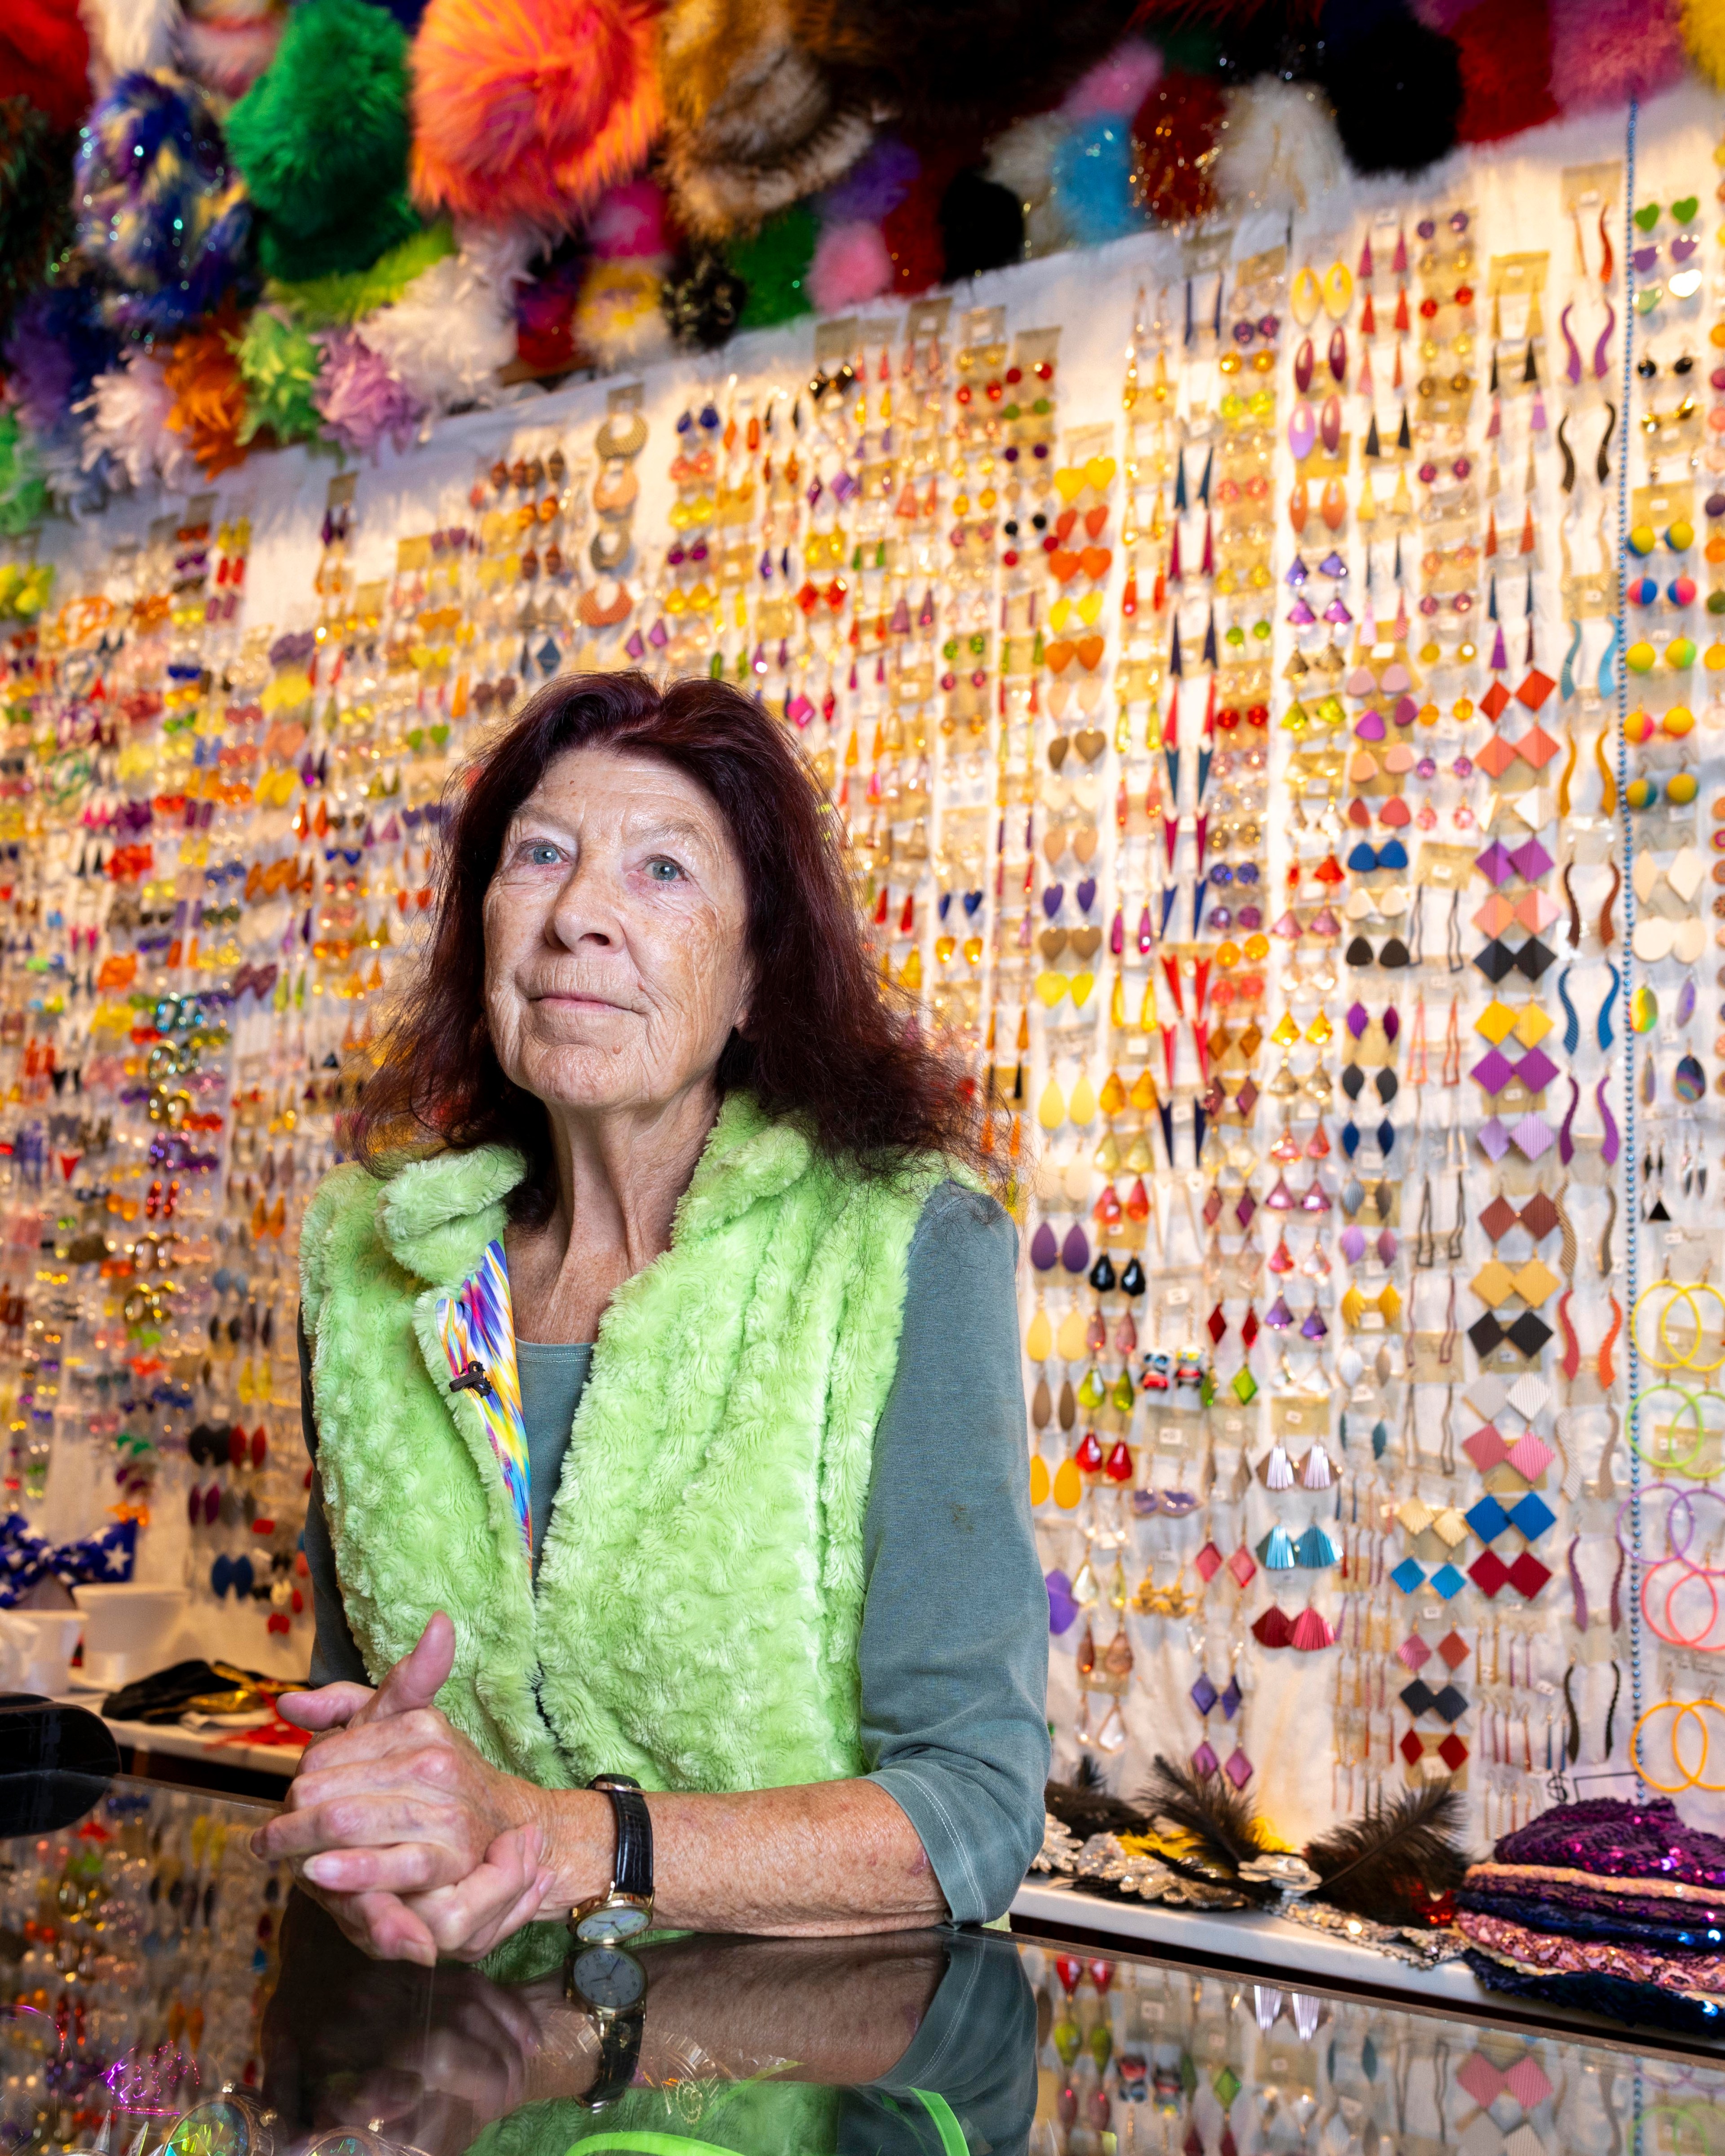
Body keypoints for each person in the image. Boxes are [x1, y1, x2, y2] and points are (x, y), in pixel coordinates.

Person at [256, 671, 1048, 1963]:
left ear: (752, 980)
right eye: (542, 857)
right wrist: (368, 1830)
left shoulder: (904, 1250)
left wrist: (562, 1840)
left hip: (801, 2069)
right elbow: (370, 1721)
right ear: (484, 930)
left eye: (664, 872)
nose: (581, 917)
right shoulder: (366, 1269)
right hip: (471, 2065)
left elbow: (971, 1812)